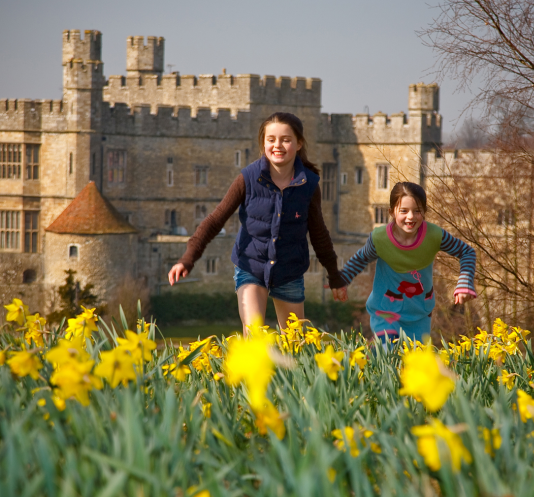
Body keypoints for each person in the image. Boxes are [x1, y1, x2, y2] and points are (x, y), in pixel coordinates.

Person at [167, 112, 346, 332]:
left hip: (289, 271)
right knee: (255, 335)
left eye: (286, 139)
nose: (277, 145)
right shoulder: (248, 178)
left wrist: (335, 276)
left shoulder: (309, 185)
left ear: (299, 143)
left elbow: (319, 234)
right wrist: (188, 258)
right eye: (271, 139)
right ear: (263, 143)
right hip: (251, 266)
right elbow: (215, 220)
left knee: (296, 343)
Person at [334, 182, 476, 344]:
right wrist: (342, 280)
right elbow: (360, 259)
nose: (411, 217)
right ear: (392, 212)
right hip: (385, 311)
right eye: (404, 211)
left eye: (417, 211)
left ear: (424, 212)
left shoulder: (434, 235)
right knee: (388, 351)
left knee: (411, 363)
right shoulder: (380, 239)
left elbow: (466, 252)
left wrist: (464, 283)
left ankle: (373, 356)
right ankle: (377, 353)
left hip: (419, 314)